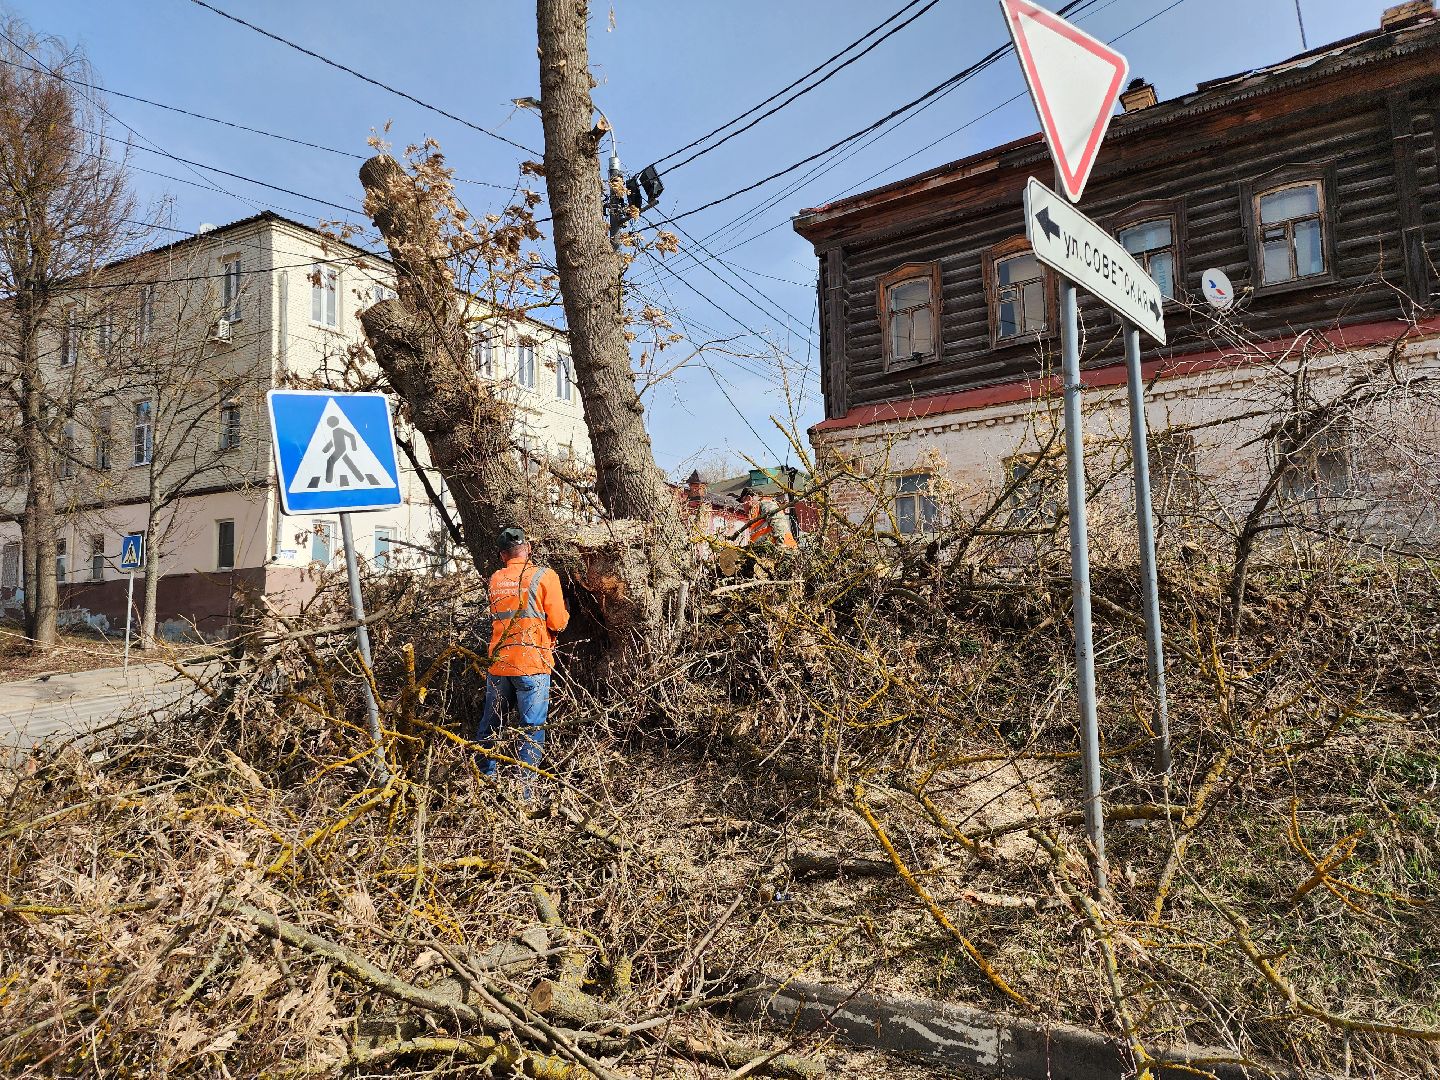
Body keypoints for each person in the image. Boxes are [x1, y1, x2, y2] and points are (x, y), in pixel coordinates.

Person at [476, 527, 569, 785]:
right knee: (532, 728)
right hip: (532, 663)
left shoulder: (495, 578)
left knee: (491, 723)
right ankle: (525, 790)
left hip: (500, 664)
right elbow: (559, 622)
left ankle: (484, 779)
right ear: (527, 549)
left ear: (502, 555)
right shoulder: (544, 575)